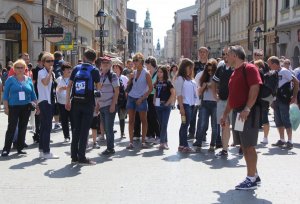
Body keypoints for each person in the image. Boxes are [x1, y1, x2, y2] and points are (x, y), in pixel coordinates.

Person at [220, 45, 262, 190]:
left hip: (247, 113)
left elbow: (255, 88)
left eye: (228, 54)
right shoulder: (234, 73)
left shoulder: (249, 68)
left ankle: (250, 178)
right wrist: (225, 114)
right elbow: (232, 97)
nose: (226, 57)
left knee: (249, 146)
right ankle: (254, 175)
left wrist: (247, 108)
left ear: (235, 56)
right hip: (238, 113)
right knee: (243, 146)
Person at [66, 49, 101, 165]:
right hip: (88, 103)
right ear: (94, 60)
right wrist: (97, 104)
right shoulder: (95, 71)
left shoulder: (76, 68)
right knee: (84, 130)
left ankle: (73, 156)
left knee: (75, 129)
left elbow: (69, 86)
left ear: (84, 57)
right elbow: (98, 89)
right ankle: (82, 157)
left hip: (75, 102)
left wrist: (67, 101)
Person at [1, 59, 38, 156]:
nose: (20, 69)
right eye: (17, 67)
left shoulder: (28, 79)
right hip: (13, 106)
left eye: (22, 67)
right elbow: (5, 95)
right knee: (11, 127)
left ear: (25, 69)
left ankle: (20, 147)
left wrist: (36, 106)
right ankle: (6, 149)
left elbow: (33, 95)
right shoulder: (10, 79)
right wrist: (6, 107)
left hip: (26, 107)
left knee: (23, 127)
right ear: (14, 69)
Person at [268, 56, 299, 149]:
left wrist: (294, 96)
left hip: (284, 99)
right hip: (275, 99)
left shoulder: (285, 71)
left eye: (270, 64)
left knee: (285, 119)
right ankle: (282, 140)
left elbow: (296, 82)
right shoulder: (273, 73)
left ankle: (290, 141)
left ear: (274, 64)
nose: (269, 66)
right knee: (278, 121)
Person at [126, 53, 153, 149]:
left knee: (143, 120)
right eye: (134, 61)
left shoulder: (146, 73)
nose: (134, 63)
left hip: (141, 98)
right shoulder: (133, 72)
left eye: (136, 61)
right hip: (131, 97)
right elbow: (129, 85)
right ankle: (130, 142)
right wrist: (130, 79)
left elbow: (150, 88)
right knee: (131, 121)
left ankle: (143, 142)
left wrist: (142, 98)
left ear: (141, 61)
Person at [213, 47, 234, 157]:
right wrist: (215, 95)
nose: (225, 56)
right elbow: (214, 82)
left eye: (227, 54)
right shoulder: (220, 68)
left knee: (238, 126)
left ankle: (241, 146)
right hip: (222, 101)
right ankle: (225, 149)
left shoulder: (237, 68)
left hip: (236, 103)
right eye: (223, 54)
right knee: (224, 125)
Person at [37, 52, 59, 159]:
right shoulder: (42, 72)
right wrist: (50, 72)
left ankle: (42, 150)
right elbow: (45, 83)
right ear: (43, 62)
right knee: (47, 127)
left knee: (45, 127)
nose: (51, 63)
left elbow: (53, 88)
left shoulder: (52, 73)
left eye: (52, 61)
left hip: (50, 101)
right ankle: (46, 151)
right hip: (44, 101)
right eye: (48, 61)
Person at [194, 59, 218, 152]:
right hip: (205, 103)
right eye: (208, 70)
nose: (210, 72)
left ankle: (212, 144)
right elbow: (199, 93)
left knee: (214, 125)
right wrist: (204, 86)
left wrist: (213, 86)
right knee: (202, 124)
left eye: (212, 70)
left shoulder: (217, 78)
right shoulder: (203, 77)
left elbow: (219, 91)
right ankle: (199, 144)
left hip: (215, 103)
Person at [174, 58, 197, 153]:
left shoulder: (190, 78)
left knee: (185, 124)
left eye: (192, 68)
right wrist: (181, 108)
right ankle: (184, 145)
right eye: (189, 68)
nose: (191, 70)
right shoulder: (180, 78)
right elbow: (178, 94)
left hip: (191, 104)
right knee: (185, 125)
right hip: (185, 104)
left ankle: (182, 145)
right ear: (184, 67)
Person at [98, 56, 120, 155]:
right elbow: (99, 91)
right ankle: (109, 147)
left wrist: (112, 105)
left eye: (107, 64)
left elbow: (117, 91)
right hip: (101, 105)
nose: (105, 65)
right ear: (101, 65)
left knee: (109, 128)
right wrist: (97, 104)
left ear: (110, 65)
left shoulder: (113, 75)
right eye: (103, 63)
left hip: (109, 105)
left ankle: (110, 148)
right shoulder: (100, 75)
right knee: (105, 128)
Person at [189, 47, 209, 140]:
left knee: (203, 115)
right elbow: (191, 76)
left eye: (204, 52)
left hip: (206, 92)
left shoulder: (210, 64)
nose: (202, 54)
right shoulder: (195, 64)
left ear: (207, 53)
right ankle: (191, 132)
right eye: (200, 52)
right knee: (193, 114)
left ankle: (203, 133)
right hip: (195, 92)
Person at [154, 66, 175, 150]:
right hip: (158, 105)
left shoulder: (168, 82)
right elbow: (156, 92)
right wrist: (154, 100)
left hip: (166, 106)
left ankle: (162, 142)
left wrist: (167, 103)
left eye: (161, 72)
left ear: (165, 73)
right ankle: (165, 142)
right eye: (158, 72)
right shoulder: (157, 82)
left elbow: (173, 93)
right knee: (161, 124)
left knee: (164, 124)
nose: (159, 73)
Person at [56, 62, 73, 142]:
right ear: (63, 70)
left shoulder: (73, 79)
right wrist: (60, 89)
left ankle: (75, 135)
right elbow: (55, 91)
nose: (69, 70)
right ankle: (66, 136)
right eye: (67, 69)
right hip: (61, 102)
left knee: (74, 120)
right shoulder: (59, 79)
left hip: (71, 102)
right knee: (64, 120)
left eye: (70, 69)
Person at [145, 56, 160, 143]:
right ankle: (150, 135)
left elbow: (158, 83)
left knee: (154, 116)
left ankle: (158, 135)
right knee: (148, 116)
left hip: (155, 96)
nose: (146, 67)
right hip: (148, 96)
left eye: (147, 65)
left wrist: (152, 84)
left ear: (150, 64)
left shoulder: (158, 72)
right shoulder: (148, 73)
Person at [112, 58, 128, 138]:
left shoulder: (124, 78)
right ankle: (110, 131)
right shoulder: (110, 77)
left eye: (116, 67)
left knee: (122, 118)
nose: (115, 69)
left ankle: (122, 133)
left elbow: (127, 90)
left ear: (120, 69)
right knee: (111, 117)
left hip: (122, 101)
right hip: (112, 100)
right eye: (114, 68)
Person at [31, 51, 45, 143]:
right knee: (37, 115)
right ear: (39, 61)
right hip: (37, 95)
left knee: (45, 116)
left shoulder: (47, 70)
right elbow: (33, 85)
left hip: (45, 95)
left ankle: (43, 133)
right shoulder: (34, 71)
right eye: (43, 61)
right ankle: (37, 134)